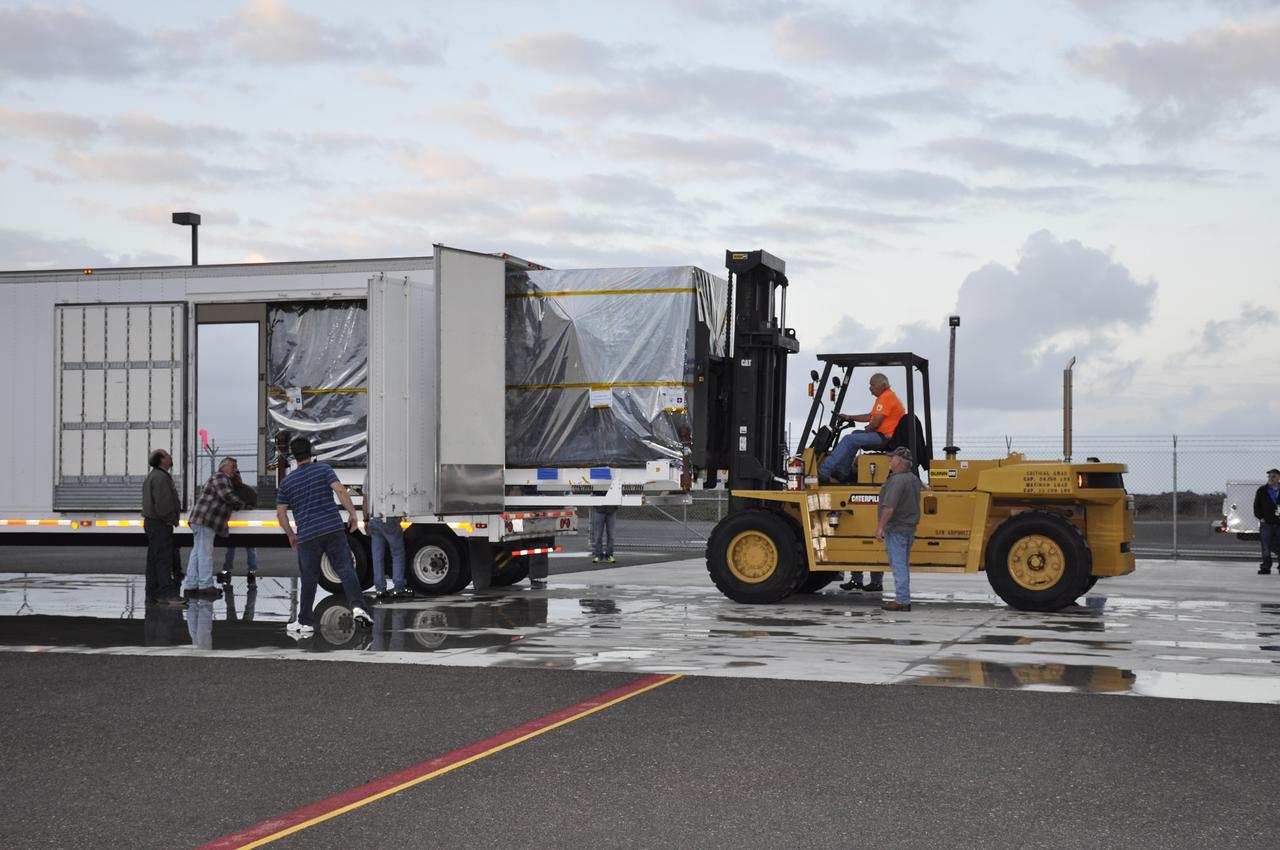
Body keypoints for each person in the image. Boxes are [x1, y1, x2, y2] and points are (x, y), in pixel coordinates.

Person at [276, 437, 371, 636]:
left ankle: (305, 622)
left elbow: (281, 514)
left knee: (309, 577)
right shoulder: (324, 469)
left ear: (294, 456)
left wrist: (291, 535)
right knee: (345, 568)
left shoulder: (286, 483)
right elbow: (340, 490)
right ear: (311, 452)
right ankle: (357, 607)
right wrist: (353, 515)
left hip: (308, 534)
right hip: (333, 529)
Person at [818, 372, 905, 484]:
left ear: (883, 385)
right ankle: (842, 471)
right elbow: (870, 416)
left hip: (884, 437)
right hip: (883, 435)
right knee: (855, 434)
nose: (870, 388)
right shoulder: (886, 397)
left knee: (849, 439)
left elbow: (875, 423)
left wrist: (867, 430)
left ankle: (824, 471)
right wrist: (849, 417)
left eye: (872, 385)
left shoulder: (886, 397)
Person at [183, 457, 244, 599]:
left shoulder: (217, 477)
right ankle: (205, 585)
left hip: (200, 519)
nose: (234, 470)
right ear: (223, 467)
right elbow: (227, 496)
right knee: (205, 553)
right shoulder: (220, 477)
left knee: (197, 553)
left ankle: (190, 585)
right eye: (232, 467)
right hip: (206, 520)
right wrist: (243, 504)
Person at [875, 446, 923, 612]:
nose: (890, 460)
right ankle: (903, 598)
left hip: (896, 529)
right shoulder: (913, 479)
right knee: (902, 564)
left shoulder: (897, 481)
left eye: (892, 458)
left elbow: (889, 508)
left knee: (898, 565)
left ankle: (902, 600)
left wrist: (880, 527)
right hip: (908, 528)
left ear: (899, 461)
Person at [142, 448, 185, 606]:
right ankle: (166, 595)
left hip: (154, 523)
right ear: (161, 460)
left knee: (154, 560)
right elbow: (163, 504)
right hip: (160, 523)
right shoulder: (160, 478)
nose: (170, 457)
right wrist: (171, 519)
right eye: (167, 455)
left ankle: (153, 592)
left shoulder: (155, 476)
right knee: (163, 560)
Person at [363, 468, 413, 602]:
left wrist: (366, 519)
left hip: (374, 517)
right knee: (397, 552)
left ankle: (380, 589)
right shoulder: (392, 470)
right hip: (389, 516)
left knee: (377, 555)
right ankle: (398, 587)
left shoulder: (370, 473)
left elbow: (366, 498)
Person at [216, 472, 260, 586]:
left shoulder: (231, 491)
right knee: (250, 549)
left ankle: (228, 570)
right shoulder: (248, 491)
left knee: (232, 549)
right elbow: (254, 505)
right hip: (245, 525)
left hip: (234, 525)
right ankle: (251, 571)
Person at [1254, 468, 1280, 575]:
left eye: (1273, 476)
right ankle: (1265, 567)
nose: (1270, 478)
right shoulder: (1262, 490)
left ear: (1278, 477)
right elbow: (1256, 506)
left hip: (1279, 523)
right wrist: (1261, 517)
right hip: (1266, 523)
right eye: (1269, 476)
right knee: (1265, 546)